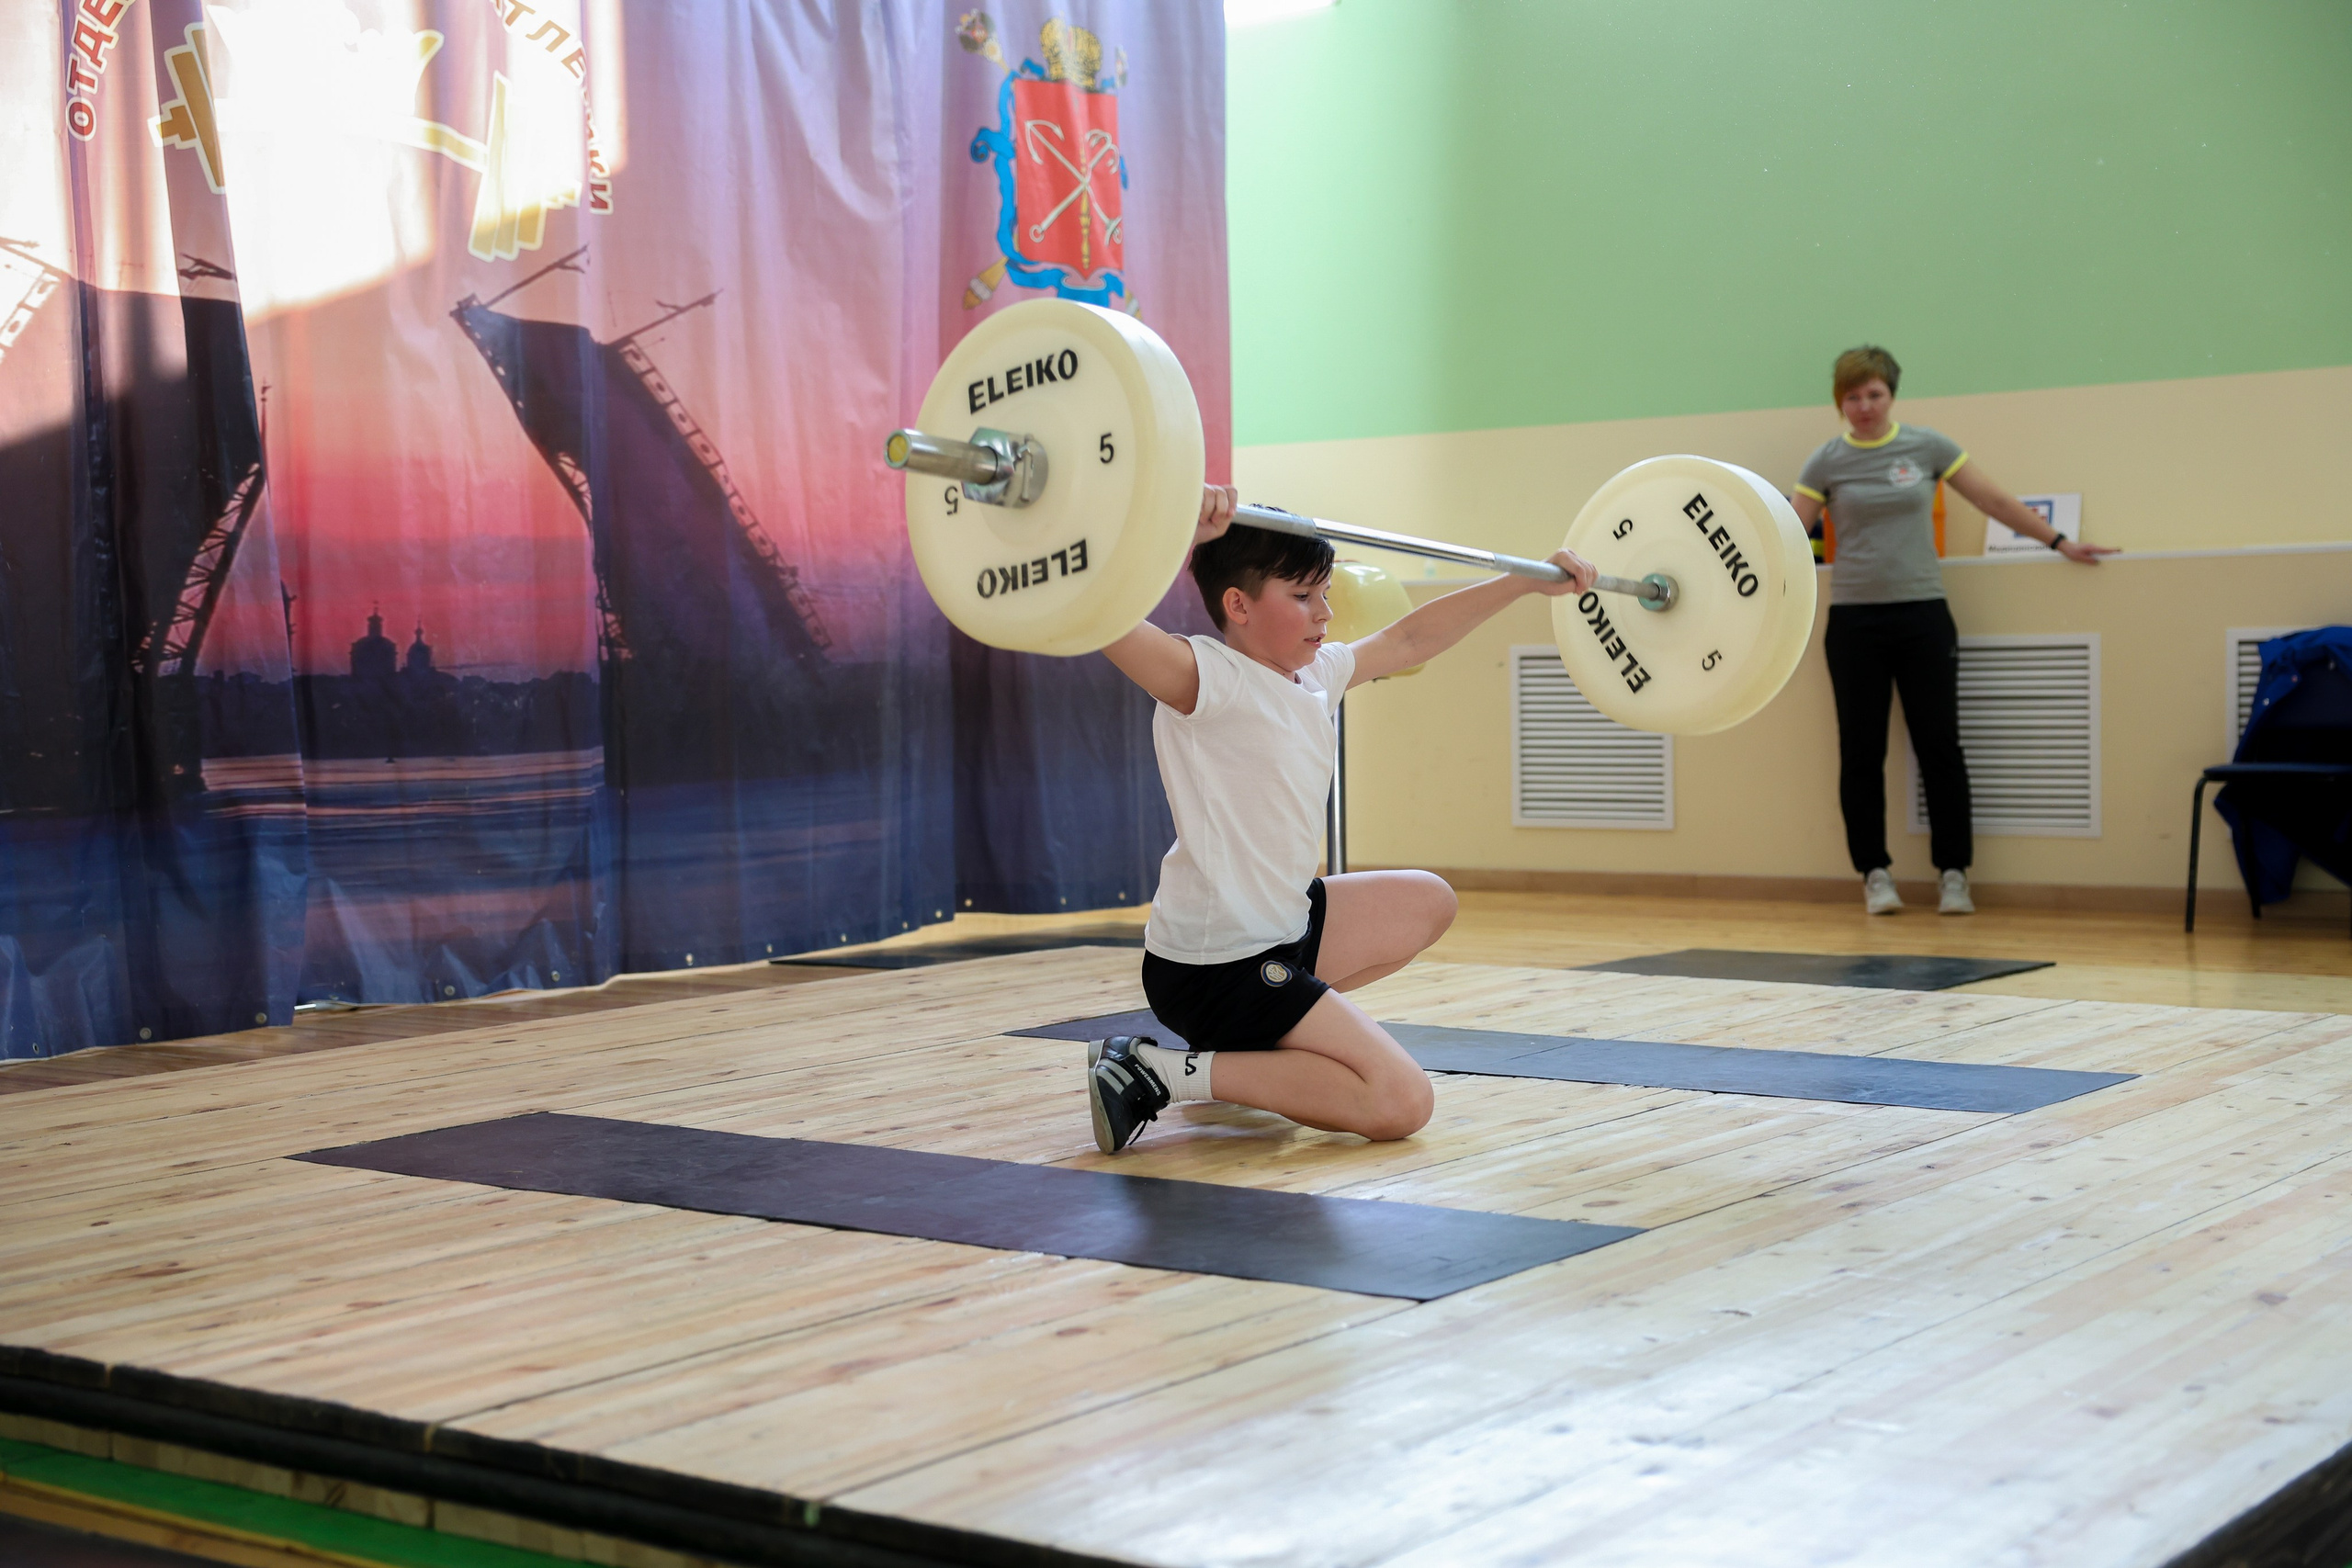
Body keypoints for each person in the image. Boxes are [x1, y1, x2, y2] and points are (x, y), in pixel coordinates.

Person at [1085, 487, 1596, 1153]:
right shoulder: (1206, 679)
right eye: (1302, 596)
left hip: (1283, 930)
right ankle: (1156, 1072)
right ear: (1237, 605)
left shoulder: (1317, 674)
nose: (1325, 612)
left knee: (1428, 902)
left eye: (1324, 593)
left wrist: (1524, 582)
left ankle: (1248, 1056)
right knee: (1401, 1101)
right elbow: (1104, 616)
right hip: (1215, 967)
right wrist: (1173, 536)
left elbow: (1410, 637)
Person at [1790, 346, 2116, 916]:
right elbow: (1791, 534)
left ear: (1891, 396)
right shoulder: (1826, 461)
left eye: (1874, 394)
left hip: (1923, 617)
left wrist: (2059, 542)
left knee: (1939, 745)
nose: (1864, 406)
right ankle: (1875, 874)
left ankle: (1954, 874)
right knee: (1860, 752)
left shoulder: (1927, 447)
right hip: (1855, 623)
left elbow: (1993, 499)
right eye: (1852, 397)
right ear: (1839, 402)